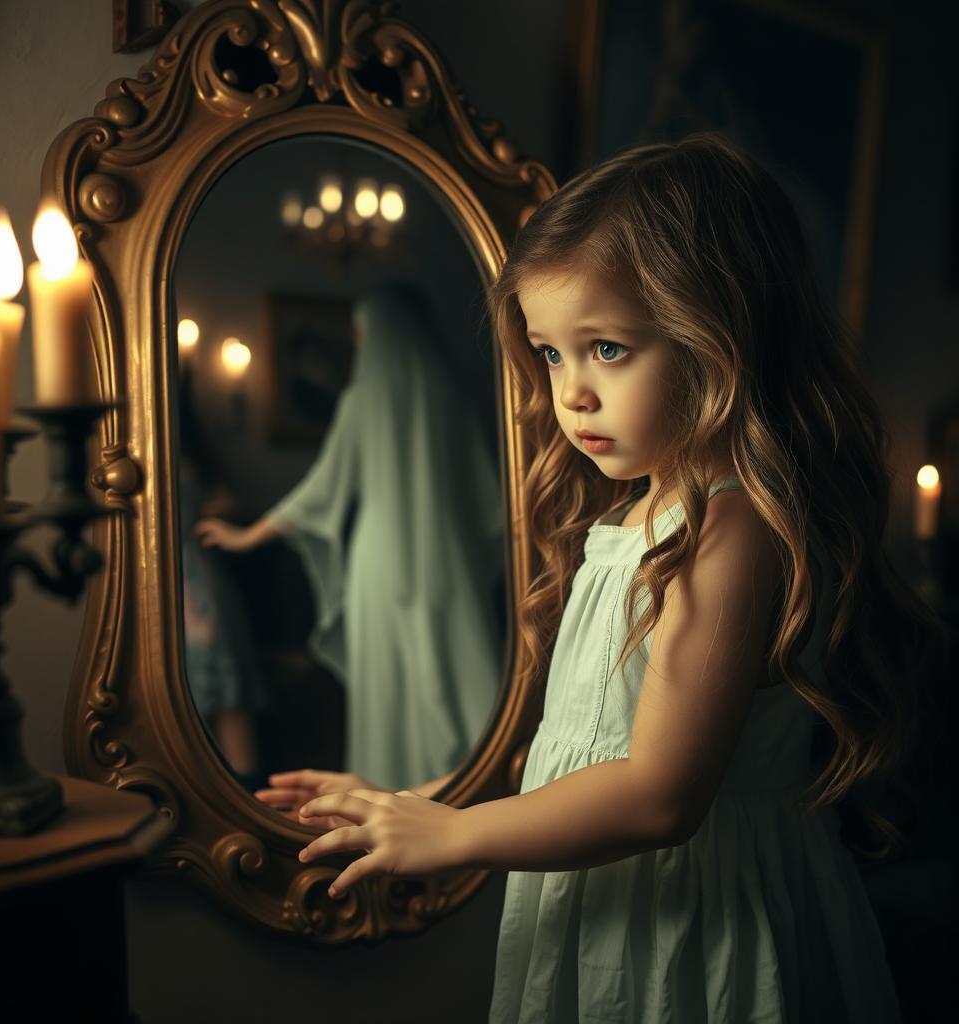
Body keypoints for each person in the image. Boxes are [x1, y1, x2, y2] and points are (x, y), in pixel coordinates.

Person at [253, 133, 944, 1022]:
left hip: (699, 926)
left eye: (608, 349)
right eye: (550, 353)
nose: (571, 391)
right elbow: (578, 753)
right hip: (614, 907)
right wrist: (417, 800)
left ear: (720, 339)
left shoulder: (730, 530)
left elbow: (657, 794)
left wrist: (457, 835)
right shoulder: (632, 522)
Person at [196, 282, 506, 793]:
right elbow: (486, 494)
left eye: (361, 335)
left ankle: (392, 794)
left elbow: (320, 490)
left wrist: (247, 535)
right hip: (448, 558)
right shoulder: (451, 394)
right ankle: (466, 784)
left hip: (382, 561)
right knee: (454, 667)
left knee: (388, 687)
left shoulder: (362, 399)